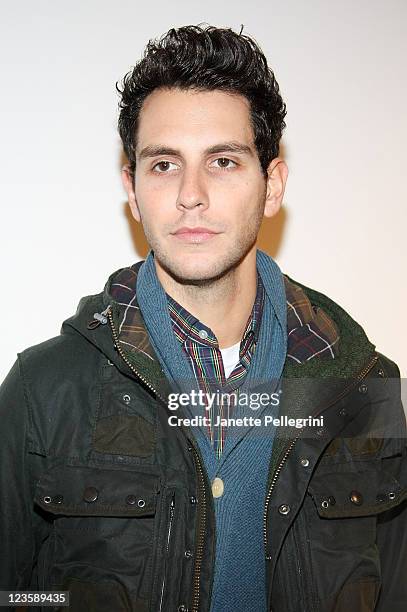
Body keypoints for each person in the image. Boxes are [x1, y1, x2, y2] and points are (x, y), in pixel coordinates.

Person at [0, 24, 406, 612]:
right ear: (133, 191)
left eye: (222, 161)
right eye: (164, 165)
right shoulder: (44, 392)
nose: (191, 193)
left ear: (272, 186)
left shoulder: (362, 389)